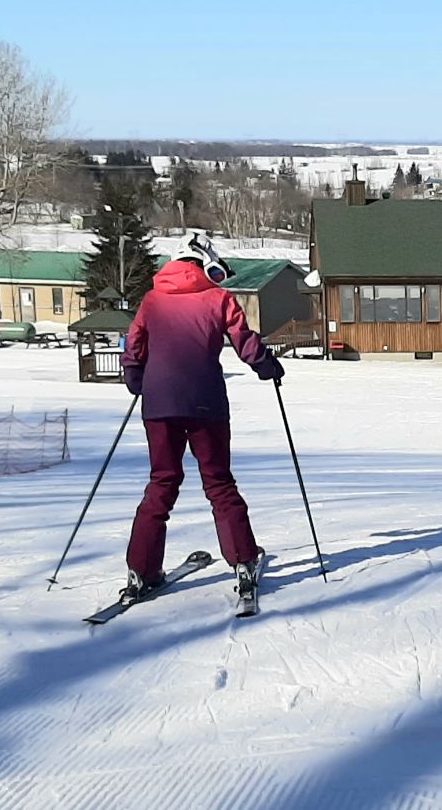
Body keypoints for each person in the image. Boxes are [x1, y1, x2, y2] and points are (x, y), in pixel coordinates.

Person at [119, 234, 284, 605]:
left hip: (159, 404)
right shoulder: (218, 297)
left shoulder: (152, 300)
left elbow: (134, 344)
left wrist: (135, 377)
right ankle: (243, 561)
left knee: (162, 481)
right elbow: (244, 340)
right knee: (219, 482)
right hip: (206, 403)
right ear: (206, 265)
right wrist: (267, 366)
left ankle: (141, 570)